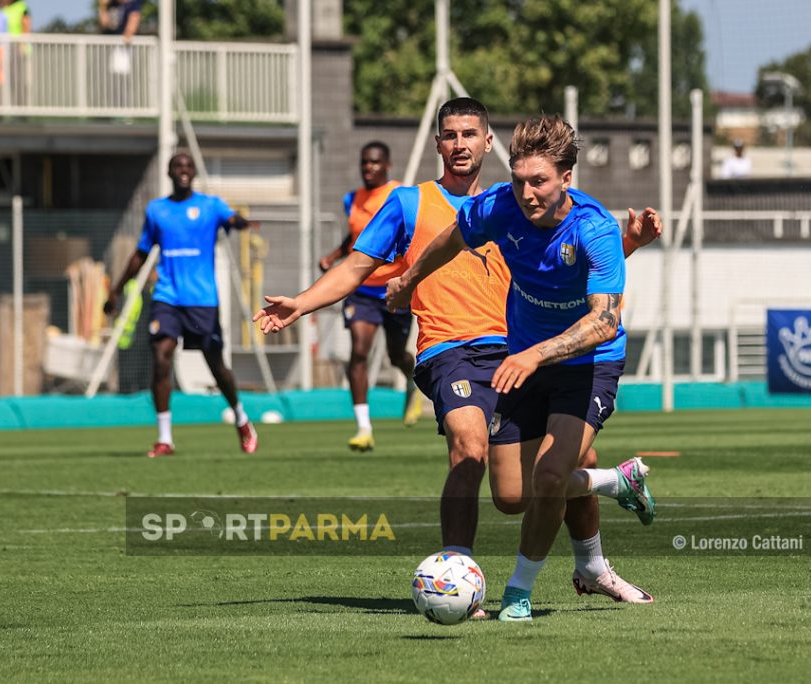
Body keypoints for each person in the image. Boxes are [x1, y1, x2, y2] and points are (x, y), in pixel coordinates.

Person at [256, 99, 658, 616]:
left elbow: (572, 273)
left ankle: (594, 560)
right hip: (451, 350)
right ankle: (457, 580)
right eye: (450, 134)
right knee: (469, 448)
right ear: (438, 143)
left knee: (531, 487)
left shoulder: (520, 203)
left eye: (470, 133)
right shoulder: (412, 204)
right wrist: (303, 302)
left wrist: (629, 242)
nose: (460, 143)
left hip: (518, 350)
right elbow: (357, 267)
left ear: (488, 142)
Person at [386, 113, 657, 621]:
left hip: (586, 362)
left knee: (551, 475)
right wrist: (408, 279)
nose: (528, 193)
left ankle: (518, 592)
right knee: (513, 496)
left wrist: (533, 354)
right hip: (526, 359)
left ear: (566, 179)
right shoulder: (499, 206)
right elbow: (452, 238)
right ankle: (615, 482)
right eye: (519, 179)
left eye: (540, 181)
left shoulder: (594, 228)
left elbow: (602, 321)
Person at [105, 153, 259, 458]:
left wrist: (240, 222)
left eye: (188, 167)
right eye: (178, 166)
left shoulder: (209, 206)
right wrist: (116, 290)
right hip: (167, 297)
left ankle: (241, 419)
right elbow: (140, 253)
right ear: (169, 172)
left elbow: (231, 219)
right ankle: (165, 439)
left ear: (193, 173)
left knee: (215, 365)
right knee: (161, 356)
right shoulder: (157, 210)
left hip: (202, 300)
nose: (184, 171)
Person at [317, 142, 420, 451]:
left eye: (375, 163)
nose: (368, 168)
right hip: (361, 288)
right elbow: (359, 235)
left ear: (387, 165)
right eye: (364, 163)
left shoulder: (402, 195)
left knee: (395, 354)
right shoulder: (352, 199)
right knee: (359, 351)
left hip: (394, 288)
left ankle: (411, 379)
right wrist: (335, 255)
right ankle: (364, 427)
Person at [1, 0, 31, 108]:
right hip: (4, 48)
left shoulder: (21, 7)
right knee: (5, 80)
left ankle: (21, 108)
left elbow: (26, 25)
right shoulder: (2, 8)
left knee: (19, 80)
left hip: (18, 47)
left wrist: (22, 44)